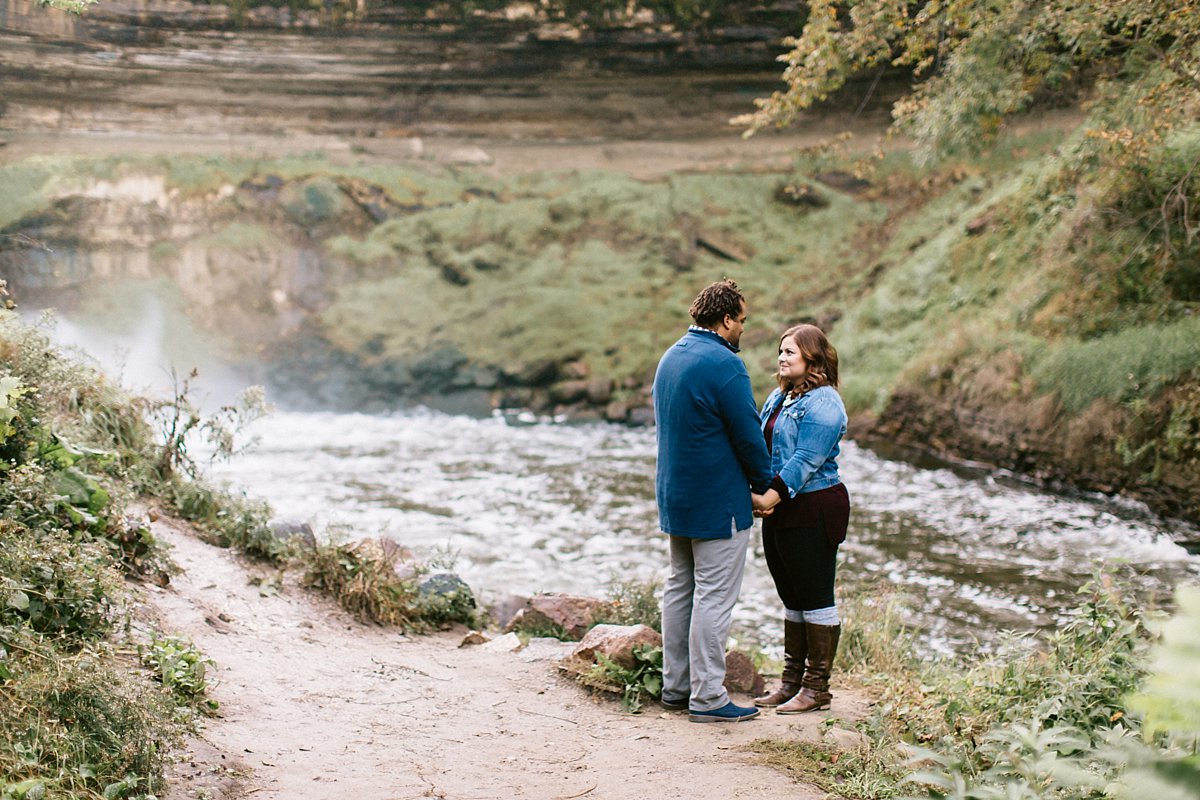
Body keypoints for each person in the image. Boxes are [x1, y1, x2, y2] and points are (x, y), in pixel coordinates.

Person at [653, 279, 775, 723]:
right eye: (741, 321)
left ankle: (676, 687)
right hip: (716, 500)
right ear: (725, 320)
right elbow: (748, 432)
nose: (742, 329)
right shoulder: (724, 365)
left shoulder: (672, 356)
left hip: (674, 496)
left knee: (680, 587)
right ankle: (707, 698)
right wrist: (764, 485)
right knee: (713, 597)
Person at [751, 323, 851, 714]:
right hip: (781, 503)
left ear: (813, 357)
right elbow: (764, 448)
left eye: (790, 351)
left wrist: (767, 497)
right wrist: (762, 495)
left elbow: (805, 460)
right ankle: (790, 683)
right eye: (780, 351)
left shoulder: (825, 402)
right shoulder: (780, 397)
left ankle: (816, 689)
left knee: (815, 595)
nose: (782, 357)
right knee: (791, 595)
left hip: (814, 504)